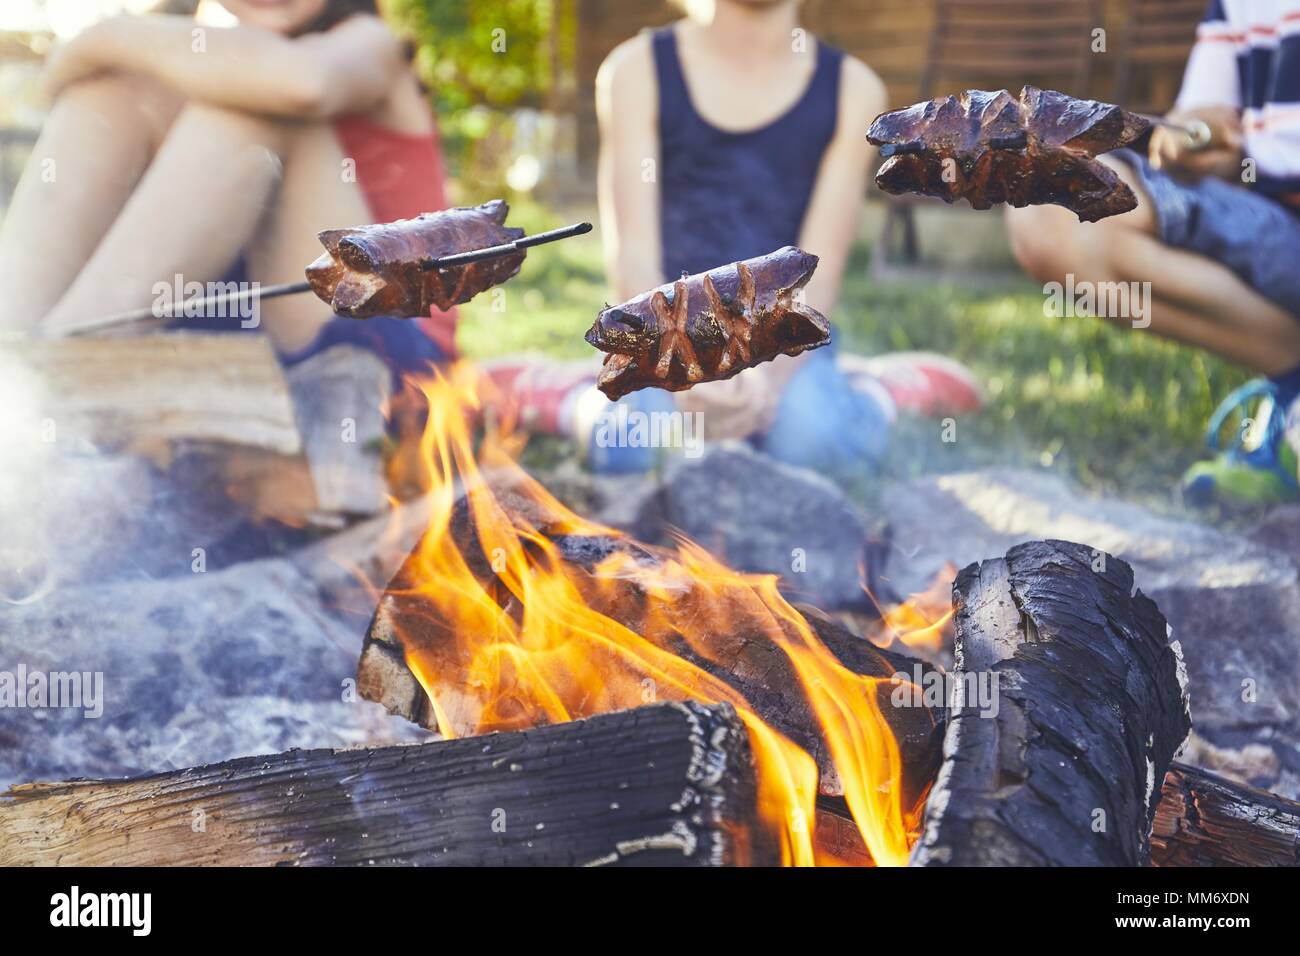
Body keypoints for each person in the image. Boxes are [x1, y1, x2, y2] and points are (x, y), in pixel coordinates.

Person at [0, 0, 454, 524]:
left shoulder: (372, 44)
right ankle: (14, 370)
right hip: (248, 346)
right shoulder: (206, 57)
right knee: (111, 92)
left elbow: (304, 84)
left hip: (383, 364)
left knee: (257, 106)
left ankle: (51, 391)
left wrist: (105, 34)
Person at [491, 0, 982, 475]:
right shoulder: (635, 70)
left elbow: (818, 271)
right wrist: (680, 371)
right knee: (634, 447)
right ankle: (566, 394)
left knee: (812, 441)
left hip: (786, 340)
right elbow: (633, 257)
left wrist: (767, 380)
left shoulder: (854, 89)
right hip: (663, 339)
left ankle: (880, 391)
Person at [1005, 0, 1300, 506]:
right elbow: (1212, 131)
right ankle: (1294, 392)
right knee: (1047, 208)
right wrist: (1190, 135)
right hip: (1269, 221)